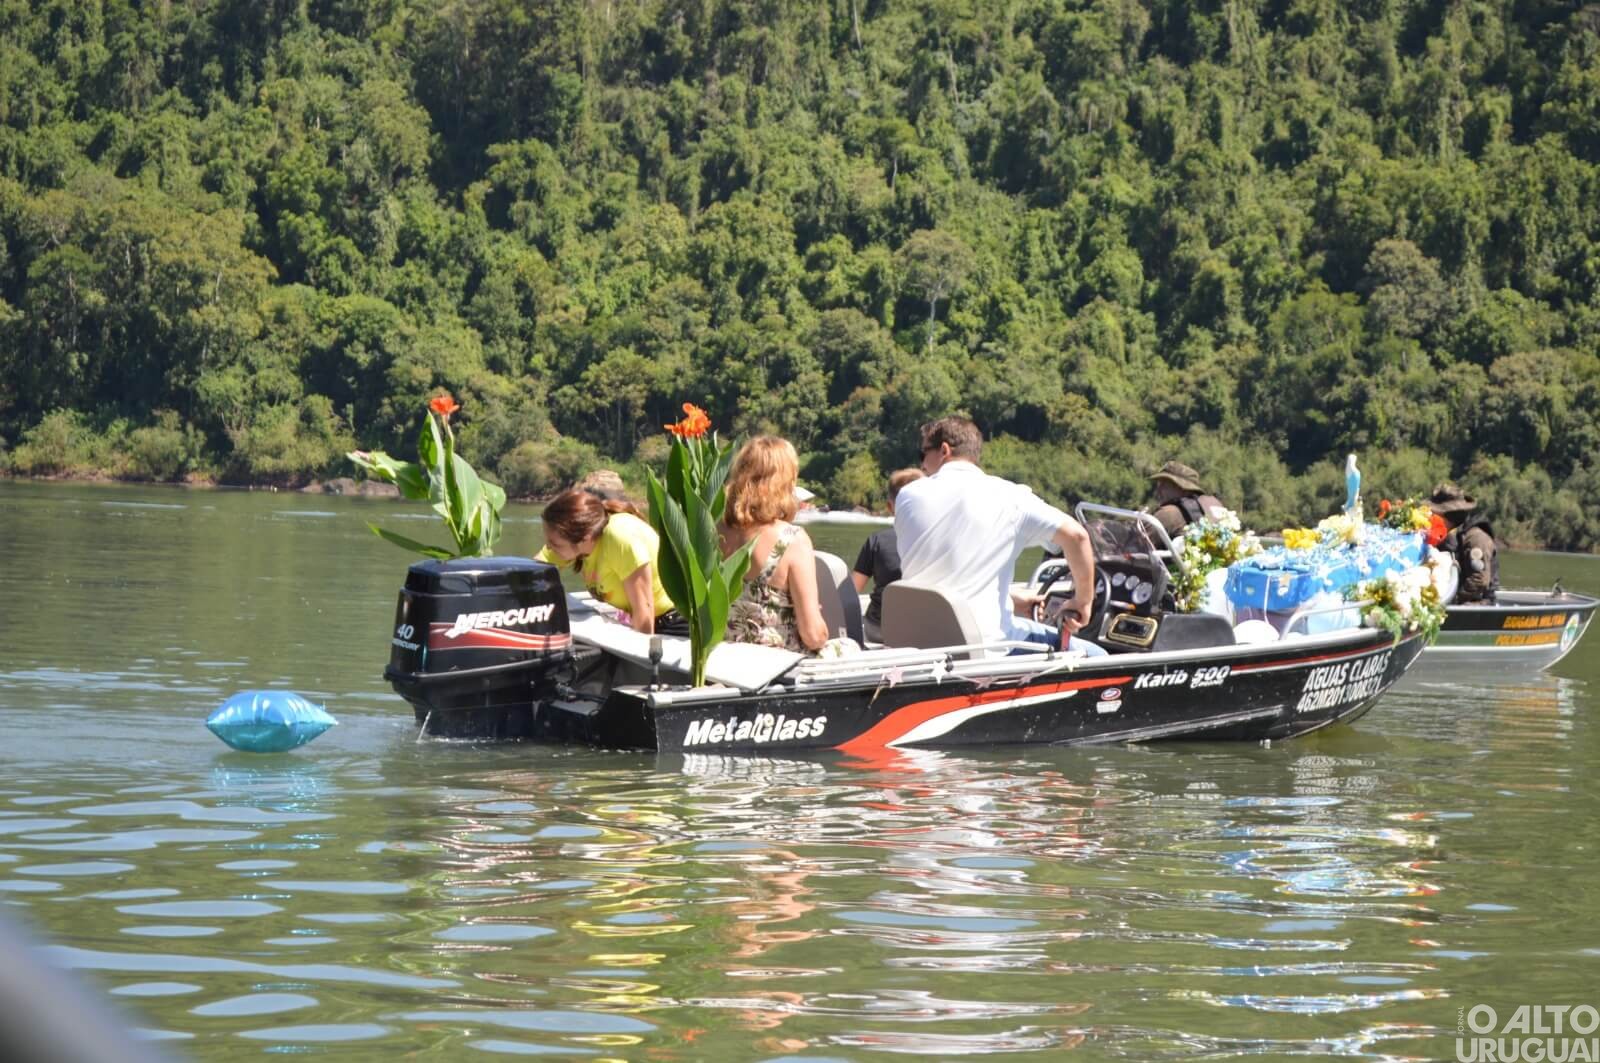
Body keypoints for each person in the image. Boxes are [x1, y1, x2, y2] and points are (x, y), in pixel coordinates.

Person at [895, 416, 1103, 654]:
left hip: (916, 642)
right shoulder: (1011, 498)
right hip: (984, 648)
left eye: (923, 454)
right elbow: (1077, 537)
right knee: (1099, 655)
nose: (922, 465)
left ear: (944, 450)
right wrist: (1083, 602)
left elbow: (945, 575)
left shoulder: (907, 496)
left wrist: (1011, 600)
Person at [719, 437, 830, 653]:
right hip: (776, 666)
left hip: (722, 657)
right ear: (785, 482)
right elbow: (813, 636)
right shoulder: (791, 539)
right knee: (849, 646)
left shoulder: (715, 533)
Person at [536, 488, 685, 635]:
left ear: (585, 538)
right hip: (644, 621)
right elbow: (531, 573)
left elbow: (644, 612)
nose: (548, 547)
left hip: (674, 623)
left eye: (555, 543)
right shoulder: (575, 542)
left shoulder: (619, 538)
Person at [851, 467, 924, 643]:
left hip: (878, 628)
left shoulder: (877, 541)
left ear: (890, 507)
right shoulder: (940, 540)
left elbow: (851, 590)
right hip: (923, 630)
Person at [1428, 482, 1498, 603]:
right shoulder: (1445, 536)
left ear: (1447, 515)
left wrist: (1452, 600)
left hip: (1476, 604)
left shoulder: (1476, 538)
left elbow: (1479, 580)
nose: (1429, 517)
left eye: (1434, 514)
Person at [1149, 461, 1228, 541]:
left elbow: (1137, 544)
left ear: (1183, 488)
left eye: (1164, 485)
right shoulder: (1215, 511)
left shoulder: (1169, 514)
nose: (1158, 490)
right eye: (1159, 485)